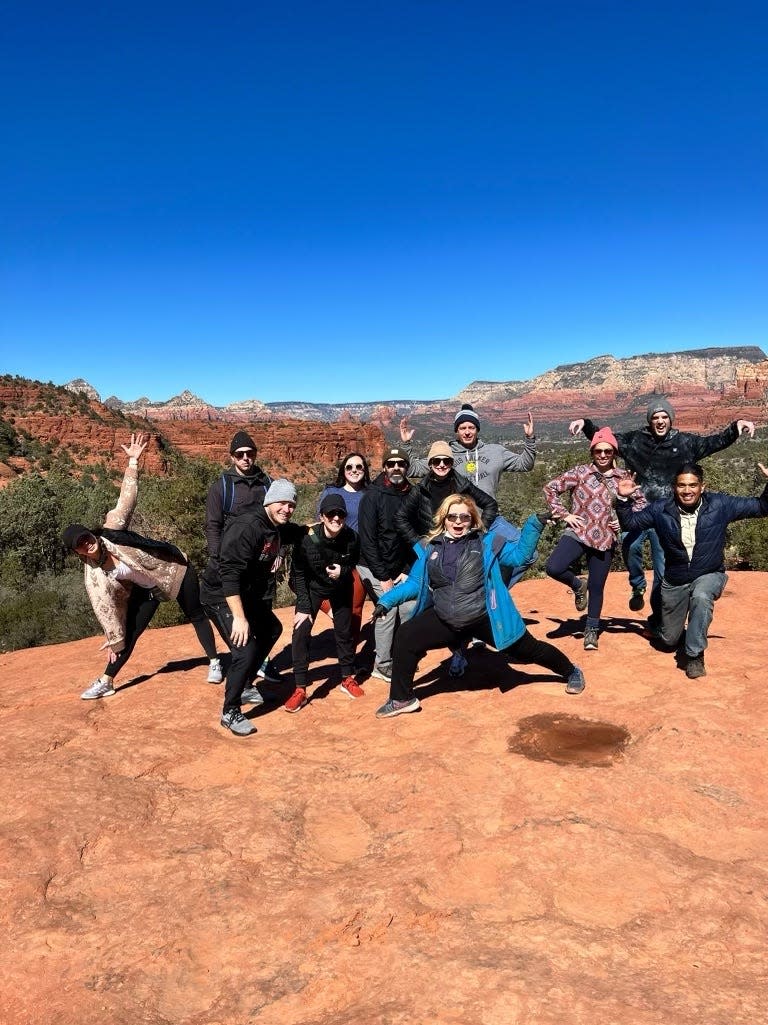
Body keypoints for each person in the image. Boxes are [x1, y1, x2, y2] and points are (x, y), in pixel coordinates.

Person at [371, 495, 586, 718]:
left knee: (527, 650)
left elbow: (520, 557)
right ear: (443, 519)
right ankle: (401, 699)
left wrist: (534, 524)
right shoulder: (430, 548)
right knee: (406, 635)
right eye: (452, 516)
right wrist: (386, 601)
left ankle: (571, 671)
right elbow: (416, 583)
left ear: (473, 520)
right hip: (445, 617)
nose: (457, 521)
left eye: (464, 516)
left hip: (484, 616)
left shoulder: (487, 543)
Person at [569, 399, 755, 630]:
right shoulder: (635, 440)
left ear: (670, 419)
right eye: (655, 417)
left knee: (661, 569)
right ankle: (637, 585)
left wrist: (736, 427)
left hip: (667, 515)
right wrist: (585, 424)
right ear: (650, 421)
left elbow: (713, 442)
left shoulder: (686, 442)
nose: (660, 421)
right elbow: (606, 440)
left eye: (664, 417)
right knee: (631, 547)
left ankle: (657, 619)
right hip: (638, 510)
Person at [63, 433, 221, 699]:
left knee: (196, 614)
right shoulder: (94, 577)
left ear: (92, 534)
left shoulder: (111, 530)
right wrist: (114, 638)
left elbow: (126, 500)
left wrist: (133, 463)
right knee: (131, 634)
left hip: (172, 569)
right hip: (148, 589)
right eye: (80, 545)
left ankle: (215, 662)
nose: (87, 544)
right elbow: (105, 608)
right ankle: (107, 681)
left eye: (86, 538)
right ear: (78, 552)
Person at [616, 461, 768, 678]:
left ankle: (695, 655)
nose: (687, 491)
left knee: (702, 596)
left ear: (702, 487)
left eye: (693, 485)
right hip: (676, 579)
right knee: (668, 641)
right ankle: (680, 631)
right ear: (674, 487)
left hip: (709, 573)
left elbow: (762, 507)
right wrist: (623, 499)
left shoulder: (720, 505)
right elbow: (630, 523)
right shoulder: (661, 509)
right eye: (681, 485)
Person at [209, 479, 308, 736]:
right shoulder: (247, 527)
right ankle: (230, 712)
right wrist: (239, 618)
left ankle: (244, 685)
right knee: (245, 647)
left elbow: (293, 532)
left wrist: (318, 528)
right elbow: (228, 573)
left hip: (244, 593)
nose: (287, 509)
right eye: (282, 503)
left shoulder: (274, 525)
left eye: (291, 505)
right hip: (220, 594)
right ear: (269, 501)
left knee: (271, 629)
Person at [394, 439, 498, 677]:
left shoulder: (462, 484)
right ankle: (419, 651)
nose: (441, 464)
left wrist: (478, 532)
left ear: (452, 463)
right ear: (429, 463)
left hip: (461, 553)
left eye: (446, 461)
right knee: (432, 605)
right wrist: (420, 543)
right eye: (436, 461)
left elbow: (490, 504)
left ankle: (459, 653)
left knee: (457, 604)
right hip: (434, 554)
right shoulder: (420, 489)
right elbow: (401, 518)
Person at [544, 428, 646, 650]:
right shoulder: (580, 473)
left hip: (605, 537)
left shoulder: (623, 478)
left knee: (597, 587)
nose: (602, 455)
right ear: (592, 452)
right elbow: (550, 489)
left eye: (607, 451)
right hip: (578, 532)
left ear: (614, 453)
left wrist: (625, 520)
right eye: (598, 451)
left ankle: (591, 630)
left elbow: (641, 505)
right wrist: (565, 515)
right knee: (554, 567)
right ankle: (577, 584)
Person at [202, 430, 277, 685]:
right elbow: (213, 525)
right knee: (239, 620)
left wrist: (278, 552)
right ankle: (242, 676)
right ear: (232, 457)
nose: (246, 458)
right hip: (233, 565)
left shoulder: (266, 483)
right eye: (240, 454)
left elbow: (276, 521)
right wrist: (219, 557)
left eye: (250, 453)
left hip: (261, 566)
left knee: (263, 616)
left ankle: (259, 665)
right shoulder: (222, 486)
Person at [284, 493, 363, 712]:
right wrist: (303, 606)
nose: (336, 518)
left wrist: (344, 571)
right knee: (301, 632)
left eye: (340, 514)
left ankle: (347, 677)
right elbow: (298, 573)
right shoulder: (307, 539)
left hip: (341, 588)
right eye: (331, 514)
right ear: (322, 516)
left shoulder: (352, 538)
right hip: (312, 589)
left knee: (344, 631)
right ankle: (300, 688)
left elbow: (354, 561)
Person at [356, 447, 418, 683]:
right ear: (383, 468)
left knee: (409, 607)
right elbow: (368, 541)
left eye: (400, 464)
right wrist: (383, 576)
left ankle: (403, 654)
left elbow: (414, 536)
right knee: (388, 607)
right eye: (390, 464)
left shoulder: (412, 494)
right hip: (371, 565)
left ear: (406, 468)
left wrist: (405, 571)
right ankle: (382, 664)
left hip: (398, 566)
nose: (395, 468)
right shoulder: (372, 496)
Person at [400, 404, 537, 499]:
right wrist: (406, 444)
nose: (467, 432)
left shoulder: (495, 452)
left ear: (477, 429)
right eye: (462, 428)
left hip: (488, 518)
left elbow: (525, 464)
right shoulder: (445, 455)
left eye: (471, 427)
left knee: (515, 539)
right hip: (456, 523)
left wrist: (530, 438)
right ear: (456, 431)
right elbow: (413, 470)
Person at [315, 452, 371, 646]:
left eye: (359, 467)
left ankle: (350, 652)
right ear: (343, 470)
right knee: (314, 590)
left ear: (365, 470)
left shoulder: (370, 493)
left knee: (355, 607)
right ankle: (334, 613)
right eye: (349, 467)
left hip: (361, 558)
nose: (354, 470)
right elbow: (319, 522)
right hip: (335, 555)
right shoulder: (332, 492)